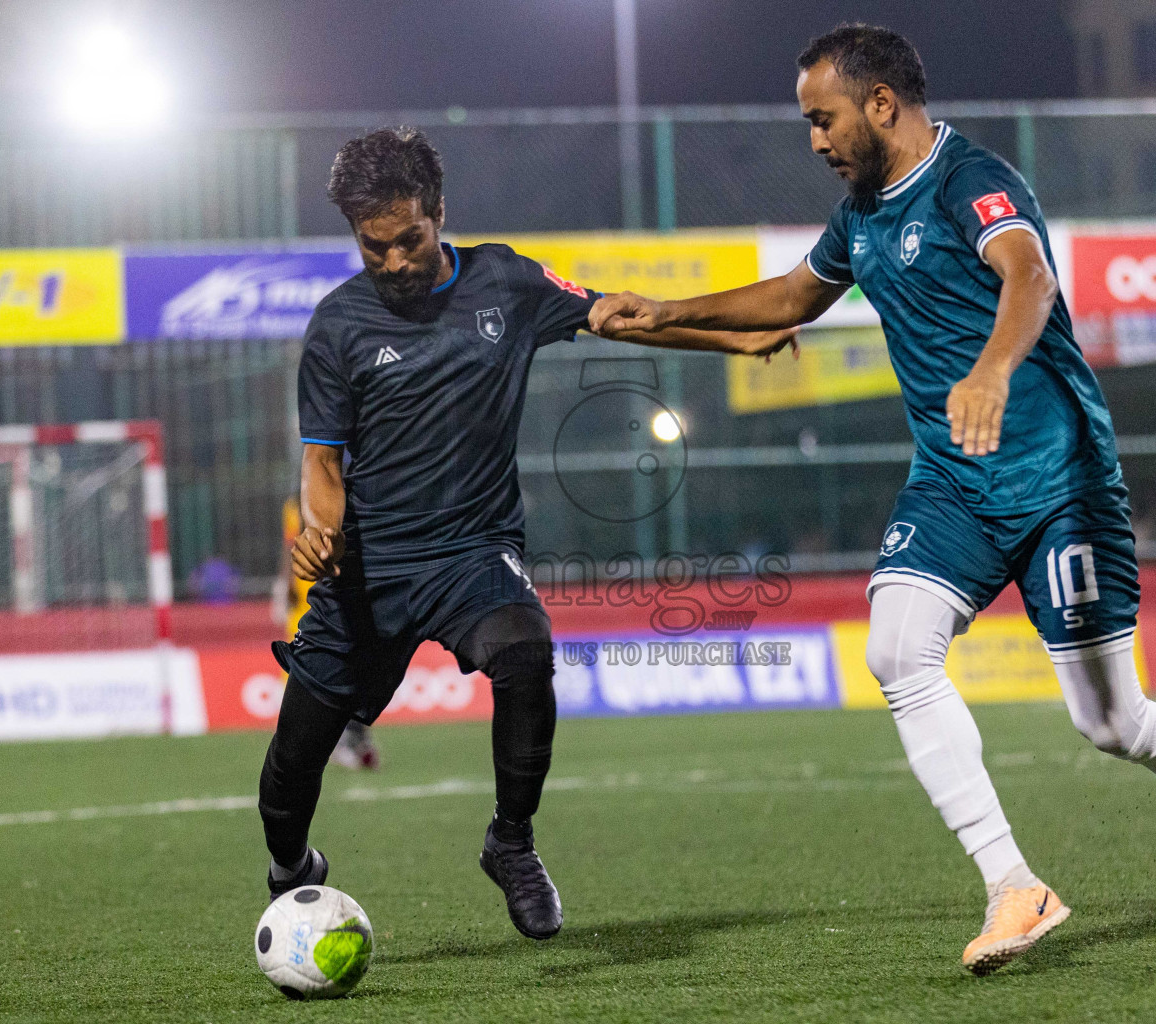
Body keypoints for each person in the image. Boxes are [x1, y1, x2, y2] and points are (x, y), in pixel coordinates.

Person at [590, 23, 1156, 973]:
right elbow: (794, 299)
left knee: (1111, 723)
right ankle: (1014, 886)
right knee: (895, 649)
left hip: (1058, 481)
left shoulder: (971, 180)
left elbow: (1030, 277)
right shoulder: (862, 214)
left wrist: (995, 369)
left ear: (881, 104)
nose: (815, 140)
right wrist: (663, 313)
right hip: (954, 482)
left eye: (822, 118)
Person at [259, 127, 796, 939]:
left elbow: (621, 318)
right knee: (291, 768)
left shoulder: (505, 281)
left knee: (525, 652)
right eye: (376, 249)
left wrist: (734, 336)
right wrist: (319, 531)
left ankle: (511, 843)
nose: (396, 262)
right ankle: (292, 868)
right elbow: (323, 466)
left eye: (410, 240)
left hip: (474, 552)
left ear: (440, 213)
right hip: (367, 569)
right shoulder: (338, 327)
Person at [275, 494, 380, 770]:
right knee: (309, 667)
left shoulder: (341, 501)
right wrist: (286, 582)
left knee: (348, 663)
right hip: (305, 594)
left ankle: (351, 737)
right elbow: (290, 547)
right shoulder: (294, 506)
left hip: (332, 591)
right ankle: (329, 739)